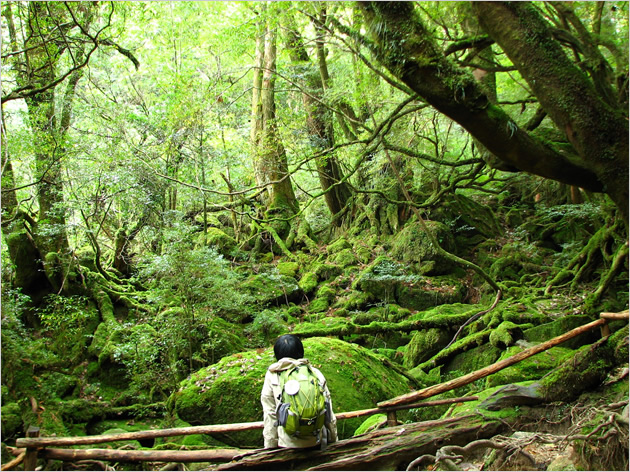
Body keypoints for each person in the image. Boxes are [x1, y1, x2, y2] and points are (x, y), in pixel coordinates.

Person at [260, 334, 338, 449]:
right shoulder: (314, 373)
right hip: (316, 441)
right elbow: (328, 412)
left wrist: (270, 446)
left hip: (287, 444)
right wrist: (333, 439)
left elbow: (270, 414)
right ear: (301, 352)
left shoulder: (272, 376)